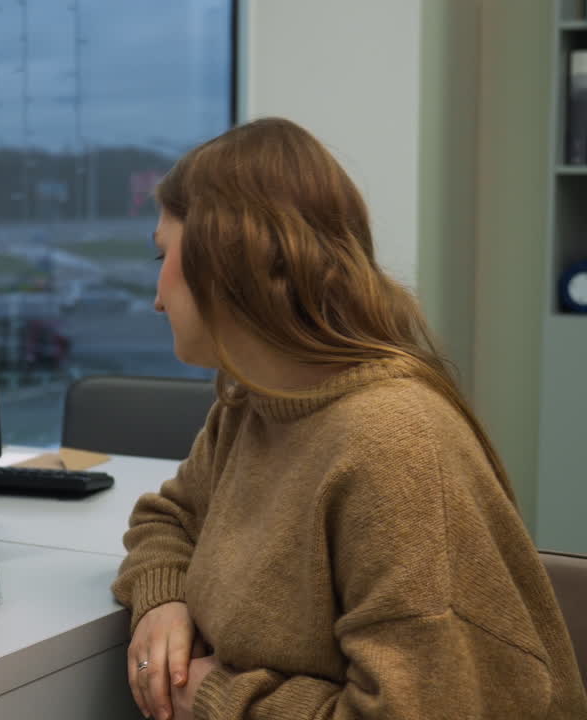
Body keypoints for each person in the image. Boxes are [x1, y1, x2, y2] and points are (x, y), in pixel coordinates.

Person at [112, 117, 587, 720]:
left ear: (227, 258)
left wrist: (216, 696)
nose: (156, 296)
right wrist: (162, 602)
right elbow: (170, 516)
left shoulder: (392, 444)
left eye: (163, 254)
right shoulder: (253, 402)